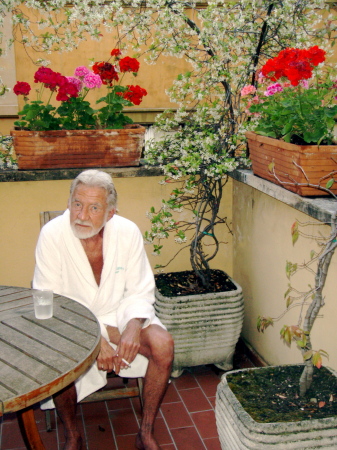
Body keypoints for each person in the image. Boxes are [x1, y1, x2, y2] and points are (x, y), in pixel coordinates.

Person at [33, 169, 174, 450]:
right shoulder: (52, 235)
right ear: (70, 202)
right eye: (77, 204)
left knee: (163, 345)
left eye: (94, 207)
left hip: (121, 314)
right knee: (59, 357)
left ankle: (145, 430)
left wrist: (133, 327)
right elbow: (49, 299)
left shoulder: (127, 232)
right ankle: (74, 435)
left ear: (110, 213)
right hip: (71, 321)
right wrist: (97, 338)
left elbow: (140, 289)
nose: (82, 215)